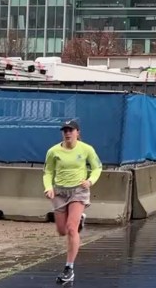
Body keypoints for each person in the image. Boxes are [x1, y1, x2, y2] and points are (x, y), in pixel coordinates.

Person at [43, 119, 102, 283]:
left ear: (78, 133)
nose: (68, 133)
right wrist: (49, 187)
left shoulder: (86, 149)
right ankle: (80, 221)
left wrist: (90, 181)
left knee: (71, 229)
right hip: (60, 191)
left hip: (79, 190)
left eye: (71, 130)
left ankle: (69, 268)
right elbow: (47, 171)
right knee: (62, 231)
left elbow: (97, 167)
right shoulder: (53, 151)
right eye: (65, 130)